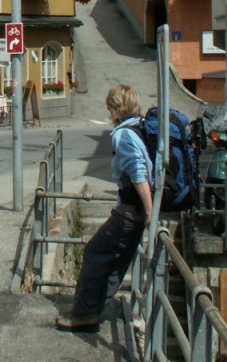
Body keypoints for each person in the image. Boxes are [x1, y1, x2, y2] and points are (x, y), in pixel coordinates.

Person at [56, 84, 154, 332]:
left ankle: (84, 313)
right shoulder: (140, 128)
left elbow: (138, 173)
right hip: (135, 214)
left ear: (114, 108)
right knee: (117, 262)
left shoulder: (123, 135)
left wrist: (150, 211)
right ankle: (95, 308)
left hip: (129, 213)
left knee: (93, 253)